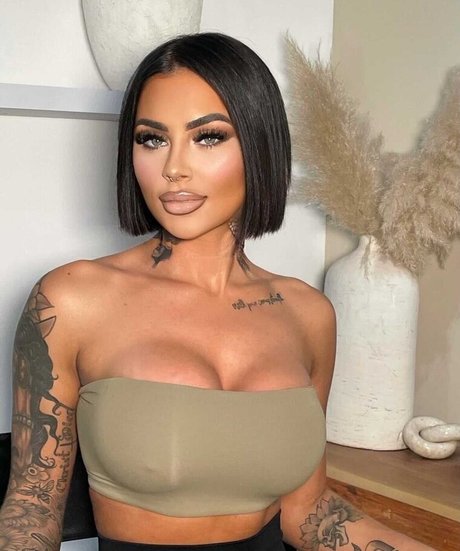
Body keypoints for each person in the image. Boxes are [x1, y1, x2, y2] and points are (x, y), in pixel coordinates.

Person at [0, 33, 434, 551]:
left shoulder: (308, 313)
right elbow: (31, 510)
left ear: (259, 144)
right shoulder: (70, 300)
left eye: (207, 137)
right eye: (151, 139)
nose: (173, 168)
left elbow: (309, 510)